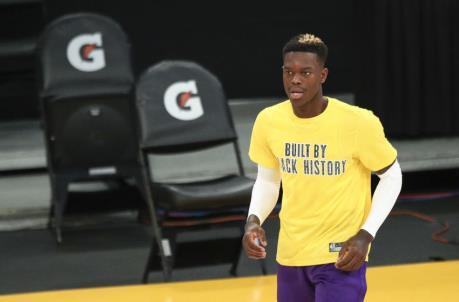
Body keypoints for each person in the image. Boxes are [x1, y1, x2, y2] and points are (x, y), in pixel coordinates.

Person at [242, 33, 403, 302]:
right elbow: (269, 181)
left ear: (323, 75)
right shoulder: (268, 121)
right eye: (288, 72)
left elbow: (392, 176)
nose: (295, 79)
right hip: (292, 253)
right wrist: (253, 220)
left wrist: (366, 234)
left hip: (340, 255)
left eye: (306, 72)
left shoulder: (358, 122)